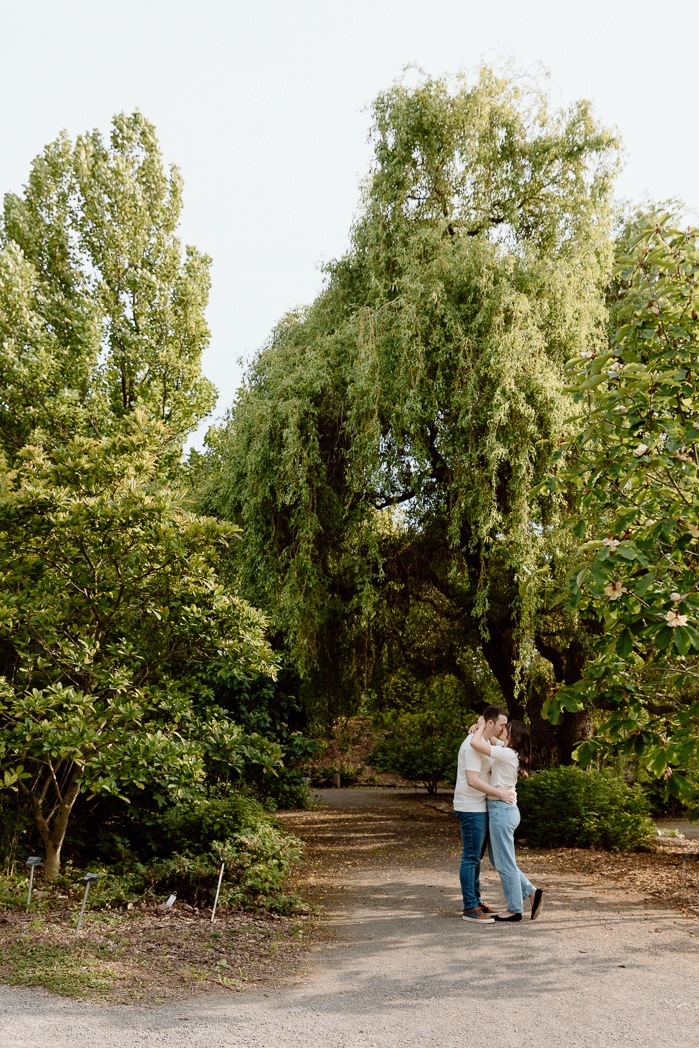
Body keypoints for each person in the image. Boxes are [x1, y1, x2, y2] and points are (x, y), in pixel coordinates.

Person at [470, 716, 544, 922]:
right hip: (503, 809)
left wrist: (482, 725)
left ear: (514, 736)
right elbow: (490, 740)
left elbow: (476, 743)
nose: (503, 728)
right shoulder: (507, 750)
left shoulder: (507, 753)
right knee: (499, 859)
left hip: (501, 810)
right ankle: (531, 892)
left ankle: (514, 909)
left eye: (507, 727)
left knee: (505, 863)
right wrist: (477, 729)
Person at [454, 705, 516, 924]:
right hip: (470, 807)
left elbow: (508, 751)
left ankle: (476, 901)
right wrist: (499, 792)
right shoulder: (471, 745)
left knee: (476, 858)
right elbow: (472, 780)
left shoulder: (486, 741)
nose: (504, 728)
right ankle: (470, 907)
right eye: (501, 724)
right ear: (490, 723)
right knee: (471, 857)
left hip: (480, 806)